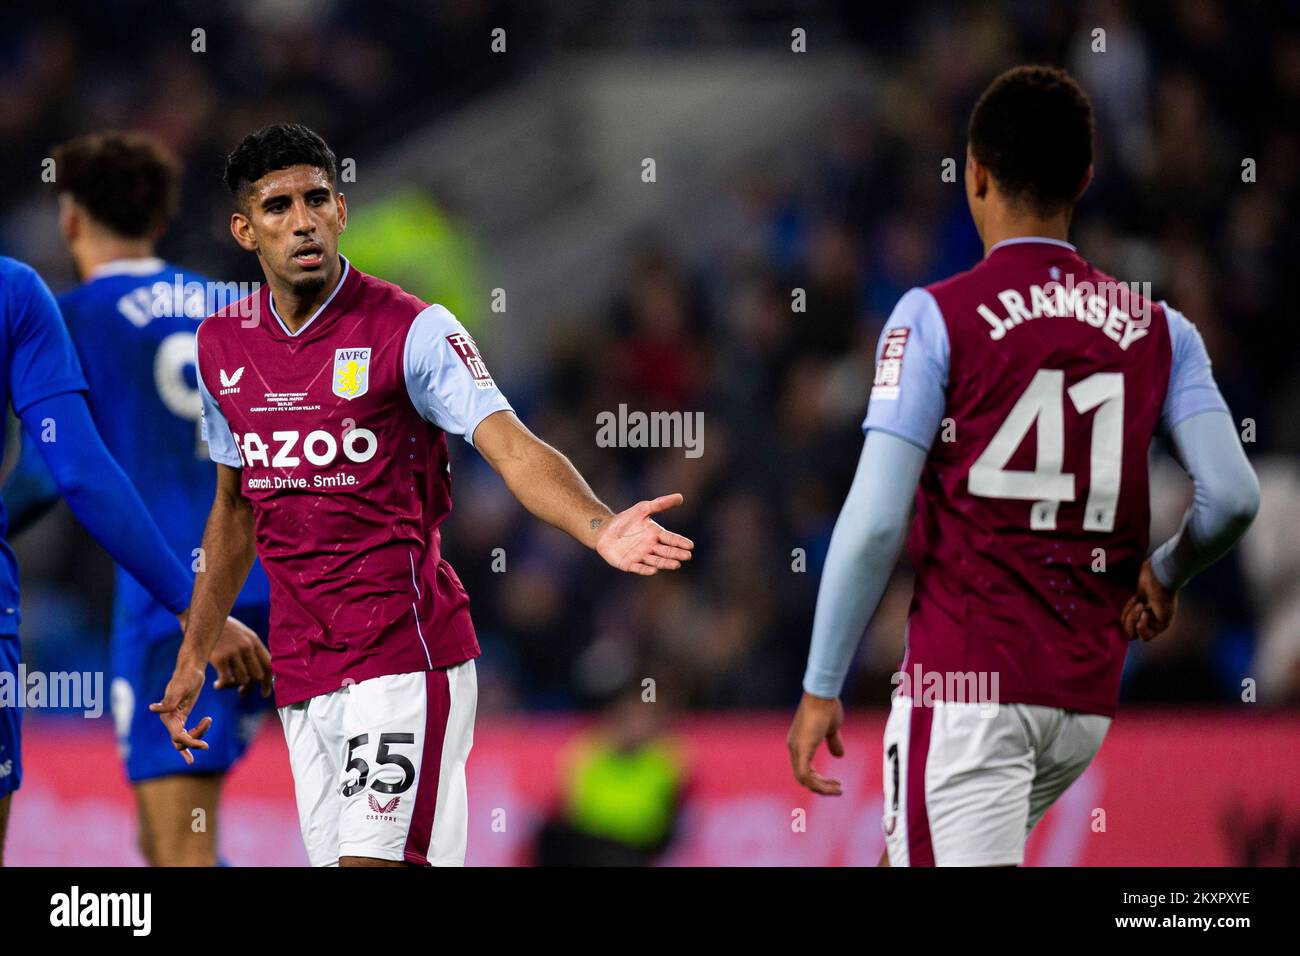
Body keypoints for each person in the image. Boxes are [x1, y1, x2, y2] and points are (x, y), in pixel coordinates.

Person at [151, 124, 695, 867]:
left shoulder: (413, 329)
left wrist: (598, 527)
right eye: (278, 207)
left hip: (404, 654)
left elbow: (510, 444)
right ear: (245, 230)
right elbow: (235, 508)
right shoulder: (220, 346)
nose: (302, 220)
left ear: (341, 212)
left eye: (317, 199)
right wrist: (195, 647)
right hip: (305, 669)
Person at [787, 65, 1260, 867]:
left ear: (974, 173)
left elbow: (871, 525)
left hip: (969, 692)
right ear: (1084, 178)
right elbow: (1236, 500)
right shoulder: (1162, 330)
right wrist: (1170, 571)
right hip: (1080, 699)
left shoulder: (933, 316)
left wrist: (821, 682)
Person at [3, 131, 274, 866]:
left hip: (177, 596)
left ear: (70, 221)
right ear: (160, 219)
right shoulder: (234, 302)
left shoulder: (71, 314)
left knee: (176, 848)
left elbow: (54, 468)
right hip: (285, 580)